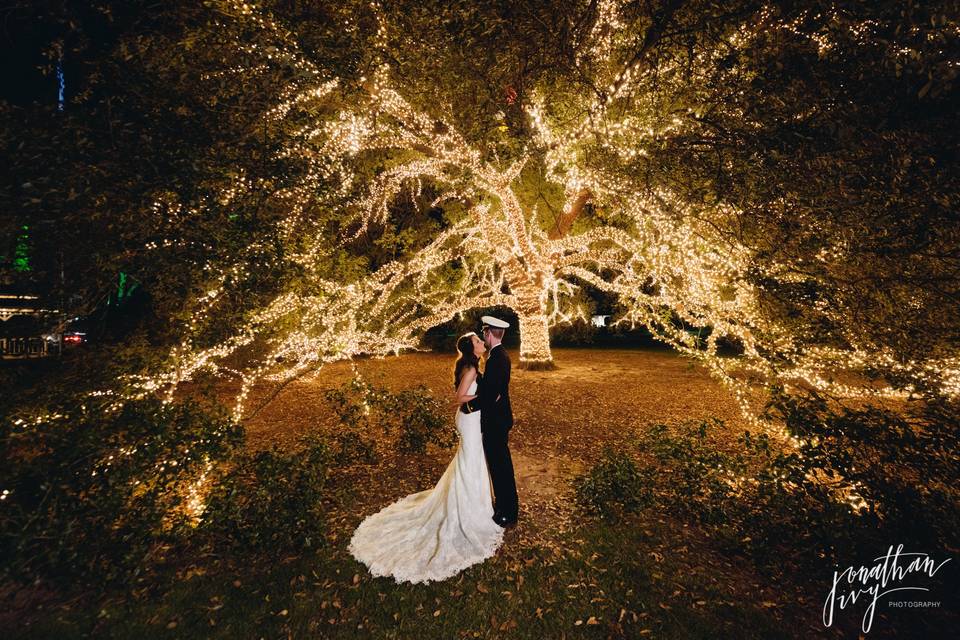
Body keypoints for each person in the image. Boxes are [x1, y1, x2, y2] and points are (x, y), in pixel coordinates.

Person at [347, 332, 504, 584]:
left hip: (471, 419)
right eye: (477, 342)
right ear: (471, 347)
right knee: (470, 461)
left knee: (469, 462)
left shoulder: (472, 365)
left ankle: (477, 504)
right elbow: (459, 398)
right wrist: (484, 399)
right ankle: (470, 510)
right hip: (469, 419)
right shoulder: (471, 370)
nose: (482, 344)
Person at [469, 315, 518, 528]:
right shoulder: (498, 356)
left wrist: (469, 407)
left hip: (496, 422)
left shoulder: (498, 358)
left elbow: (491, 395)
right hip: (498, 419)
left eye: (484, 333)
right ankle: (503, 505)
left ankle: (507, 511)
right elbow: (492, 393)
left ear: (489, 333)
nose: (483, 337)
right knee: (500, 466)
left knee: (501, 468)